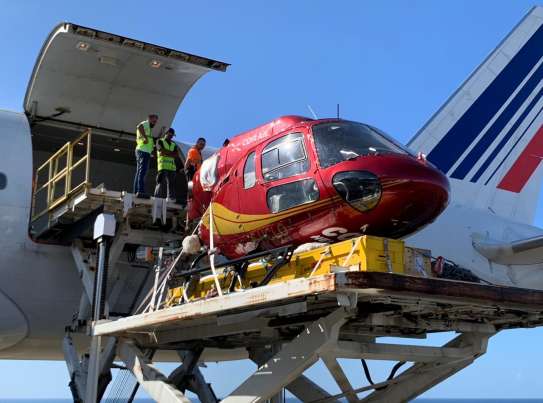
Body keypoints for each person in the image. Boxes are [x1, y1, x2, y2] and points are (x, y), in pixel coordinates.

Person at [154, 128, 184, 201]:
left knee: (171, 184)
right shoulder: (160, 141)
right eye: (170, 134)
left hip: (172, 167)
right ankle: (157, 198)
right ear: (166, 133)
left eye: (172, 135)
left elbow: (176, 155)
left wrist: (166, 153)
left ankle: (170, 198)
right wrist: (171, 154)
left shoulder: (174, 144)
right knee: (160, 182)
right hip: (163, 166)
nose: (171, 136)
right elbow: (161, 151)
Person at [134, 114, 158, 198]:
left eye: (155, 122)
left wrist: (151, 152)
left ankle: (137, 190)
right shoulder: (145, 123)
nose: (154, 123)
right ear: (149, 119)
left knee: (140, 172)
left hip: (145, 151)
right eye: (154, 121)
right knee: (142, 171)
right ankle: (140, 190)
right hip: (142, 150)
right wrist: (145, 138)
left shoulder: (149, 128)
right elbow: (139, 126)